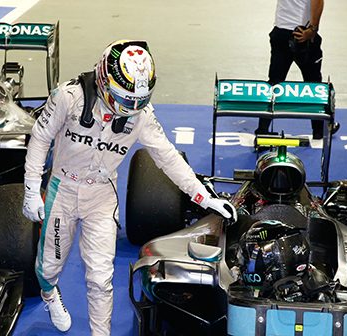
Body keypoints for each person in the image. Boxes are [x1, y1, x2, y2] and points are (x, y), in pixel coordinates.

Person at [22, 40, 238, 335]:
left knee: (101, 277)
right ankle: (50, 294)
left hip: (101, 195)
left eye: (139, 101)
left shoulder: (143, 116)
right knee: (48, 268)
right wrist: (32, 187)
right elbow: (39, 138)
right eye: (126, 100)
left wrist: (202, 196)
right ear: (103, 79)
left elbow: (168, 157)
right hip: (62, 188)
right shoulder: (68, 97)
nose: (132, 108)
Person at [255, 0, 338, 140]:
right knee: (313, 84)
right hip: (301, 34)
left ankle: (262, 129)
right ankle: (319, 129)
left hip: (280, 31)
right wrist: (313, 29)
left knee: (275, 82)